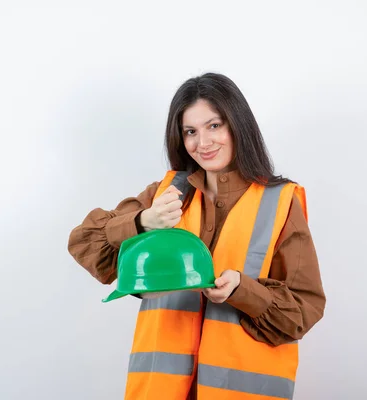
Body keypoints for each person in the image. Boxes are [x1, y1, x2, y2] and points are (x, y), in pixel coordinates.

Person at [67, 72, 326, 400]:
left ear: (237, 125)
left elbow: (304, 310)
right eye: (190, 131)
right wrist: (145, 220)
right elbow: (84, 242)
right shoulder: (165, 194)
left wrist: (242, 290)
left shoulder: (281, 202)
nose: (202, 143)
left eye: (214, 126)